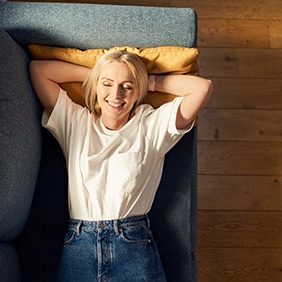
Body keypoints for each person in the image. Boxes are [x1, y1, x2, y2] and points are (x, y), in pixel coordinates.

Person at [29, 50, 213, 282]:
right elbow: (39, 70)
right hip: (79, 244)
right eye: (107, 84)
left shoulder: (152, 125)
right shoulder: (75, 122)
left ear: (138, 93)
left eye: (127, 86)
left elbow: (202, 88)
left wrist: (148, 81)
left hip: (132, 242)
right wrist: (98, 74)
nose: (116, 94)